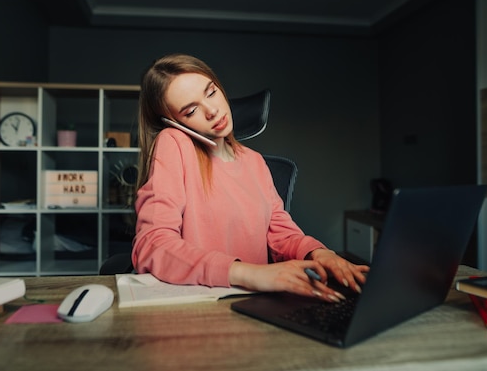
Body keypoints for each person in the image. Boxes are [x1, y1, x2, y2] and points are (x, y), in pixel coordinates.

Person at [132, 53, 369, 302]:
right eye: (191, 110)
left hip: (256, 302)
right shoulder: (174, 143)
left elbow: (281, 234)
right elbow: (152, 244)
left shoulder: (254, 161)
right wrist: (250, 273)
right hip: (206, 306)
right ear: (173, 122)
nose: (212, 110)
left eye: (211, 92)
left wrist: (318, 253)